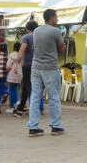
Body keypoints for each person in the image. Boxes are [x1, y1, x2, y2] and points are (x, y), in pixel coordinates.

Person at [27, 8, 66, 137]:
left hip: (36, 66)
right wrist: (62, 43)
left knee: (35, 96)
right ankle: (56, 126)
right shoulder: (56, 31)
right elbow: (61, 48)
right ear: (51, 17)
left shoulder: (36, 30)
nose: (57, 19)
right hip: (50, 67)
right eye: (56, 17)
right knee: (53, 97)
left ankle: (33, 126)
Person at [13, 20, 38, 117]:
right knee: (29, 87)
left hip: (28, 64)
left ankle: (33, 109)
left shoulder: (26, 37)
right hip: (39, 65)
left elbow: (22, 49)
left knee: (28, 86)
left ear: (28, 29)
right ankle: (21, 107)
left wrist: (16, 64)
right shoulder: (40, 37)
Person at [6, 41, 23, 113]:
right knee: (17, 90)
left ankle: (12, 107)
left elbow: (8, 66)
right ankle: (17, 103)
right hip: (20, 75)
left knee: (11, 91)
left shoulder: (11, 55)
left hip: (12, 75)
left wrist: (7, 69)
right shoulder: (22, 55)